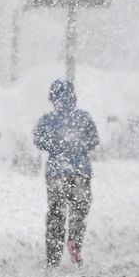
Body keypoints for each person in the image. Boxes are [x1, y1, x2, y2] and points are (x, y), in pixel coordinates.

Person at [33, 78, 100, 266]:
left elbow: (38, 141)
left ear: (52, 98)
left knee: (56, 212)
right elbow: (93, 141)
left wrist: (56, 148)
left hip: (56, 172)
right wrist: (77, 148)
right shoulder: (84, 118)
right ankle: (75, 242)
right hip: (80, 171)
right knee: (79, 210)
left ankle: (53, 254)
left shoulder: (47, 120)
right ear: (74, 97)